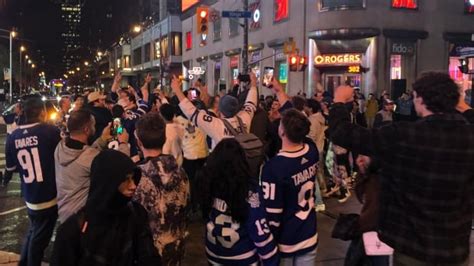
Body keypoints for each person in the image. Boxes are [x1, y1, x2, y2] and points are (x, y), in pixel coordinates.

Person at [328, 72, 474, 266]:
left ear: (420, 99)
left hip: (412, 248)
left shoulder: (404, 135)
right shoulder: (468, 135)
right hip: (456, 248)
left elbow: (344, 133)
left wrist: (339, 101)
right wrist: (462, 105)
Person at [51, 150, 161, 266]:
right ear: (108, 182)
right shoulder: (72, 230)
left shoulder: (136, 213)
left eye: (133, 178)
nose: (133, 186)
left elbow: (148, 256)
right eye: (126, 179)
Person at [199, 138, 279, 265]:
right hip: (242, 257)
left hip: (213, 254)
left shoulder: (207, 184)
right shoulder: (249, 191)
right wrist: (272, 259)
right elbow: (259, 229)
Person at [5, 96, 61, 266]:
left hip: (30, 193)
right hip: (48, 194)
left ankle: (24, 262)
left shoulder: (13, 136)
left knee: (34, 231)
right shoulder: (50, 131)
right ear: (43, 112)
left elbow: (11, 167)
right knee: (39, 240)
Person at [261, 109, 318, 265]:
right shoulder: (312, 151)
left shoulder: (274, 168)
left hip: (286, 240)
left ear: (282, 131)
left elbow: (272, 215)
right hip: (309, 233)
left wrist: (268, 246)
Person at [133, 112, 189, 265]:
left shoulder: (139, 177)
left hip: (150, 253)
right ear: (164, 138)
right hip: (176, 247)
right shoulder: (180, 172)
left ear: (139, 142)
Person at [54, 109, 130, 223]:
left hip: (65, 212)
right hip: (81, 218)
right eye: (93, 125)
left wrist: (102, 139)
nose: (95, 127)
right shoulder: (90, 158)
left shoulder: (61, 147)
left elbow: (85, 154)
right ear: (86, 129)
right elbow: (120, 167)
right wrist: (123, 143)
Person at [171, 73, 257, 149]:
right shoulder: (244, 118)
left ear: (220, 109)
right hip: (243, 165)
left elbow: (192, 112)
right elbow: (251, 103)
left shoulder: (217, 125)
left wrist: (177, 90)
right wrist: (253, 84)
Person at [344, 155, 389, 266]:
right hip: (372, 229)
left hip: (375, 228)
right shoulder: (371, 177)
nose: (359, 160)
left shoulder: (381, 178)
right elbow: (360, 194)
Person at [175, 100, 209, 216]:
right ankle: (202, 205)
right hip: (203, 154)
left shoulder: (178, 120)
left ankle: (193, 206)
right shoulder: (201, 117)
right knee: (202, 181)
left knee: (191, 182)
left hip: (189, 156)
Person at [306, 99, 326, 212]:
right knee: (319, 172)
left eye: (306, 106)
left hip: (314, 149)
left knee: (312, 176)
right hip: (320, 148)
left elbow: (311, 137)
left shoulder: (313, 120)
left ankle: (319, 201)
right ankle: (323, 192)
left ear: (310, 108)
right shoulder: (321, 118)